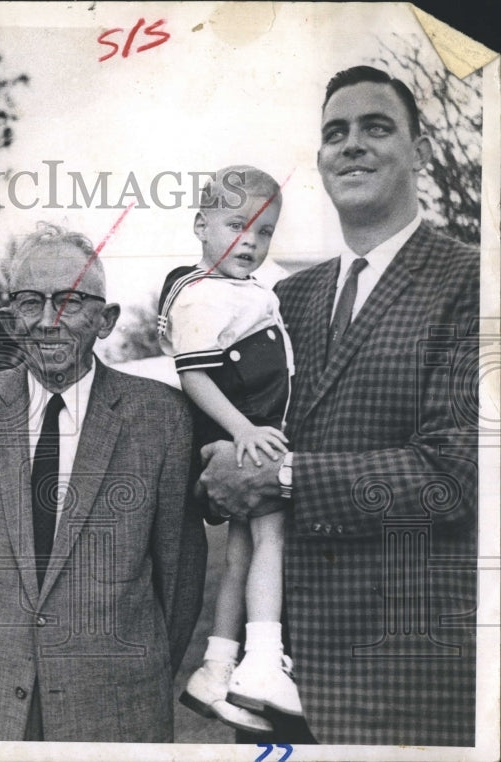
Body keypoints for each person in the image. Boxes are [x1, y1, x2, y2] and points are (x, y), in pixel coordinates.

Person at [197, 66, 479, 746]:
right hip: (278, 682)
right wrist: (215, 463)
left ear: (420, 150)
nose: (352, 144)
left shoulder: (473, 278)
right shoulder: (283, 298)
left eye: (376, 128)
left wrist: (281, 477)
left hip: (408, 674)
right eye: (335, 133)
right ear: (321, 160)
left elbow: (453, 474)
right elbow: (234, 446)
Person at [0, 223, 207, 742]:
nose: (48, 320)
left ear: (106, 319)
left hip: (114, 711)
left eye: (71, 301)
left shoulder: (162, 418)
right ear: (10, 319)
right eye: (31, 302)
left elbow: (179, 575)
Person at [157, 166, 300, 736]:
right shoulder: (200, 294)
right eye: (236, 226)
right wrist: (243, 430)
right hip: (248, 435)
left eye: (264, 232)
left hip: (252, 431)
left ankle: (216, 667)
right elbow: (193, 375)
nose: (251, 242)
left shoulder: (241, 289)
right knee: (271, 540)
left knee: (242, 553)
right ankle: (263, 660)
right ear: (201, 225)